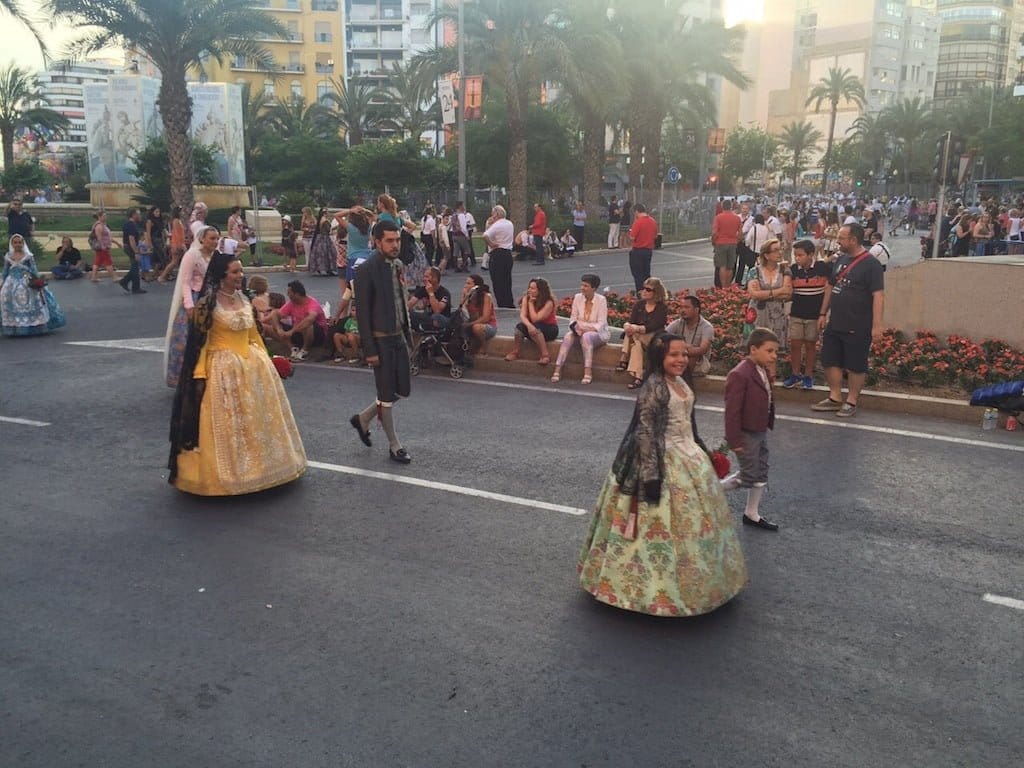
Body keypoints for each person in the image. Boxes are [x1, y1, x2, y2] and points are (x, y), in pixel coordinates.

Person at [577, 332, 747, 616]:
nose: (681, 359)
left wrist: (702, 451)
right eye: (673, 355)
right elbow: (645, 433)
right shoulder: (654, 386)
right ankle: (649, 591)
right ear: (660, 357)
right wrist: (651, 477)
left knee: (696, 526)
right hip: (660, 459)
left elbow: (688, 423)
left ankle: (701, 583)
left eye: (683, 354)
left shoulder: (680, 381)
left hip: (688, 455)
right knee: (657, 527)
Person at [167, 251, 306, 496]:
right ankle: (226, 476)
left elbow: (255, 336)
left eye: (241, 271)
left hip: (254, 367)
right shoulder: (207, 305)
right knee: (229, 424)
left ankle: (267, 468)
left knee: (258, 420)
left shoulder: (245, 300)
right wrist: (199, 374)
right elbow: (200, 343)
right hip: (223, 369)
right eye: (235, 272)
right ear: (222, 275)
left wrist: (271, 360)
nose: (240, 276)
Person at [350, 219, 414, 465]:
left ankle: (363, 418)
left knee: (403, 389)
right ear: (377, 242)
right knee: (386, 394)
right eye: (389, 240)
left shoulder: (397, 265)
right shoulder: (366, 270)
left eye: (397, 239)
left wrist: (407, 335)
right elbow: (363, 313)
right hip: (380, 341)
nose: (395, 244)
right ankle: (394, 445)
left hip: (399, 338)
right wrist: (370, 350)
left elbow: (401, 302)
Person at [812, 223, 885, 418]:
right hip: (836, 321)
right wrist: (822, 313)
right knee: (830, 359)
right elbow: (830, 286)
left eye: (842, 238)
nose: (838, 241)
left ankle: (851, 400)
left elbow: (878, 295)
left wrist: (877, 326)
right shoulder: (840, 259)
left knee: (855, 364)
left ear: (853, 240)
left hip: (858, 323)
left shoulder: (871, 264)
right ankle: (835, 397)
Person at [721, 327, 781, 531]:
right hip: (746, 433)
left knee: (761, 471)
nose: (774, 356)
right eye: (769, 351)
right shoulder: (740, 374)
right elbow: (732, 411)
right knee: (748, 475)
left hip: (760, 429)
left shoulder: (761, 369)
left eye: (775, 352)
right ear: (753, 349)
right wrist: (734, 440)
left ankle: (751, 513)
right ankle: (711, 491)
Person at [164, 225, 220, 387]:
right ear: (202, 239)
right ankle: (184, 378)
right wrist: (189, 305)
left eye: (217, 238)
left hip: (211, 299)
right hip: (195, 298)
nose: (215, 241)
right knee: (186, 339)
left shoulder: (216, 256)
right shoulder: (193, 255)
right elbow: (185, 281)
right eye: (212, 238)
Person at [783, 239, 830, 390]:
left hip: (814, 315)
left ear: (811, 255)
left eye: (800, 255)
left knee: (811, 345)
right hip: (797, 314)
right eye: (795, 255)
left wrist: (823, 314)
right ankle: (795, 374)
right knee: (795, 344)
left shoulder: (822, 268)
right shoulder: (793, 270)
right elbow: (789, 291)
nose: (797, 258)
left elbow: (828, 289)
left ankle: (808, 375)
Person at [1, 234, 66, 336]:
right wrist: (2, 284)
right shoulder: (8, 256)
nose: (17, 244)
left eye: (19, 242)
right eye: (15, 242)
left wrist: (38, 282)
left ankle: (34, 326)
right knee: (6, 297)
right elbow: (5, 272)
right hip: (11, 282)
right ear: (12, 244)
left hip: (26, 280)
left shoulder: (28, 256)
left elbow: (34, 270)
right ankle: (14, 327)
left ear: (23, 243)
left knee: (32, 299)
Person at [551, 273, 609, 385]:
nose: (582, 288)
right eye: (582, 285)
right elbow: (572, 320)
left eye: (586, 286)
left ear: (594, 288)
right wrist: (576, 328)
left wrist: (584, 328)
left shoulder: (601, 300)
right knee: (568, 336)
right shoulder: (578, 297)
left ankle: (588, 371)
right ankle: (557, 369)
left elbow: (600, 324)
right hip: (579, 331)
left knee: (586, 337)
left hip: (598, 334)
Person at [617, 276, 669, 389]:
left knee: (634, 334)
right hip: (638, 337)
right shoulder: (639, 305)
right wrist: (627, 325)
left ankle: (624, 358)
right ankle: (639, 377)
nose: (644, 291)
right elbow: (631, 321)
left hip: (654, 337)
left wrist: (636, 328)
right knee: (636, 345)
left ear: (656, 292)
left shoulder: (662, 307)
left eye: (648, 289)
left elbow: (656, 325)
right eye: (644, 288)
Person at [745, 238, 792, 352]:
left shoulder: (785, 270)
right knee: (757, 349)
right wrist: (778, 291)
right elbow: (754, 294)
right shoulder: (754, 271)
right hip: (758, 314)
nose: (780, 252)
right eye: (775, 250)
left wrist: (764, 293)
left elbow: (787, 293)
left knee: (773, 351)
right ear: (766, 255)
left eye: (781, 249)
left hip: (777, 315)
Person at [504, 278, 558, 364]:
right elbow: (523, 315)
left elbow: (535, 319)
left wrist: (531, 303)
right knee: (519, 327)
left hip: (549, 329)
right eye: (529, 287)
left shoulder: (549, 302)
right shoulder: (526, 298)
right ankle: (515, 352)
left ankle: (545, 355)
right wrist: (529, 326)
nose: (529, 290)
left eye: (532, 288)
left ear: (540, 290)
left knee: (536, 327)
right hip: (533, 326)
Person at [273, 280, 328, 361]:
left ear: (297, 294)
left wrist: (291, 332)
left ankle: (304, 350)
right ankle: (293, 348)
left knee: (307, 323)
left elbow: (310, 319)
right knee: (270, 324)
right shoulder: (291, 303)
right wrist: (279, 329)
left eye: (289, 293)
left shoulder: (312, 304)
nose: (288, 295)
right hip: (298, 332)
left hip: (316, 334)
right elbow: (275, 314)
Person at [665, 294, 714, 380]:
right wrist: (681, 348)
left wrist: (684, 350)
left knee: (692, 354)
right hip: (679, 357)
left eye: (687, 307)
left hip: (699, 363)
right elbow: (662, 337)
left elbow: (702, 349)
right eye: (681, 307)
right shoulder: (678, 323)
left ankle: (683, 381)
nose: (683, 310)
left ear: (696, 310)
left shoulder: (707, 327)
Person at [482, 205, 515, 308]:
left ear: (496, 214)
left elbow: (485, 235)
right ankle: (509, 302)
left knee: (497, 281)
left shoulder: (497, 225)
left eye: (493, 214)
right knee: (507, 280)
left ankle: (502, 303)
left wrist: (491, 244)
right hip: (508, 253)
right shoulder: (509, 223)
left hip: (497, 253)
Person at [460, 273, 496, 357]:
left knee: (476, 328)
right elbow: (460, 309)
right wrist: (465, 296)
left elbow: (485, 318)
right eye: (466, 283)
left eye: (469, 283)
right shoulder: (468, 297)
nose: (466, 286)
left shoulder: (486, 296)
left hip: (488, 326)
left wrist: (469, 324)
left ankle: (483, 349)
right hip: (471, 324)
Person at [406, 266, 451, 332]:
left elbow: (437, 310)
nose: (424, 279)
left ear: (435, 279)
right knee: (408, 314)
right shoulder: (423, 289)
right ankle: (421, 328)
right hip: (428, 317)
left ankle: (423, 327)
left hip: (442, 319)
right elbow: (409, 304)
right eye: (424, 276)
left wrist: (431, 293)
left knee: (436, 317)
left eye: (427, 277)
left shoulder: (445, 293)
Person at [627, 203, 658, 292]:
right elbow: (655, 236)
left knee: (638, 275)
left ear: (636, 211)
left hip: (638, 250)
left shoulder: (638, 222)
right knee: (646, 273)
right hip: (648, 250)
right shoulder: (653, 221)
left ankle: (641, 293)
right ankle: (649, 291)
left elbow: (632, 237)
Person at [712, 199, 742, 287]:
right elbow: (740, 234)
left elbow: (714, 233)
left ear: (722, 206)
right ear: (731, 207)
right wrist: (736, 241)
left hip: (721, 243)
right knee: (730, 266)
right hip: (732, 243)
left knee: (722, 266)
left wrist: (714, 242)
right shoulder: (737, 218)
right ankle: (728, 286)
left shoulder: (718, 217)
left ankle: (723, 286)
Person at [118, 208, 145, 294]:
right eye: (139, 214)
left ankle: (125, 282)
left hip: (128, 247)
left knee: (135, 266)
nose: (140, 216)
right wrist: (136, 252)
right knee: (135, 267)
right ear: (134, 215)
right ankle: (135, 288)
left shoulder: (129, 224)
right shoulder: (131, 225)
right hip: (130, 247)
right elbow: (131, 239)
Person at [158, 206, 186, 283]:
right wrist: (179, 245)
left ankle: (164, 276)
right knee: (174, 262)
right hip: (177, 244)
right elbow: (177, 234)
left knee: (176, 262)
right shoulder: (176, 221)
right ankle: (162, 276)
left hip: (177, 243)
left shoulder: (176, 221)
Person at [88, 211, 116, 283]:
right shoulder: (99, 226)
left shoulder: (103, 225)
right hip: (102, 247)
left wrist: (116, 242)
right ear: (99, 217)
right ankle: (114, 277)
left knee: (97, 262)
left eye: (106, 215)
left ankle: (94, 277)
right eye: (104, 216)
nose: (105, 217)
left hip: (103, 246)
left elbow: (108, 237)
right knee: (108, 262)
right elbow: (99, 237)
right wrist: (103, 246)